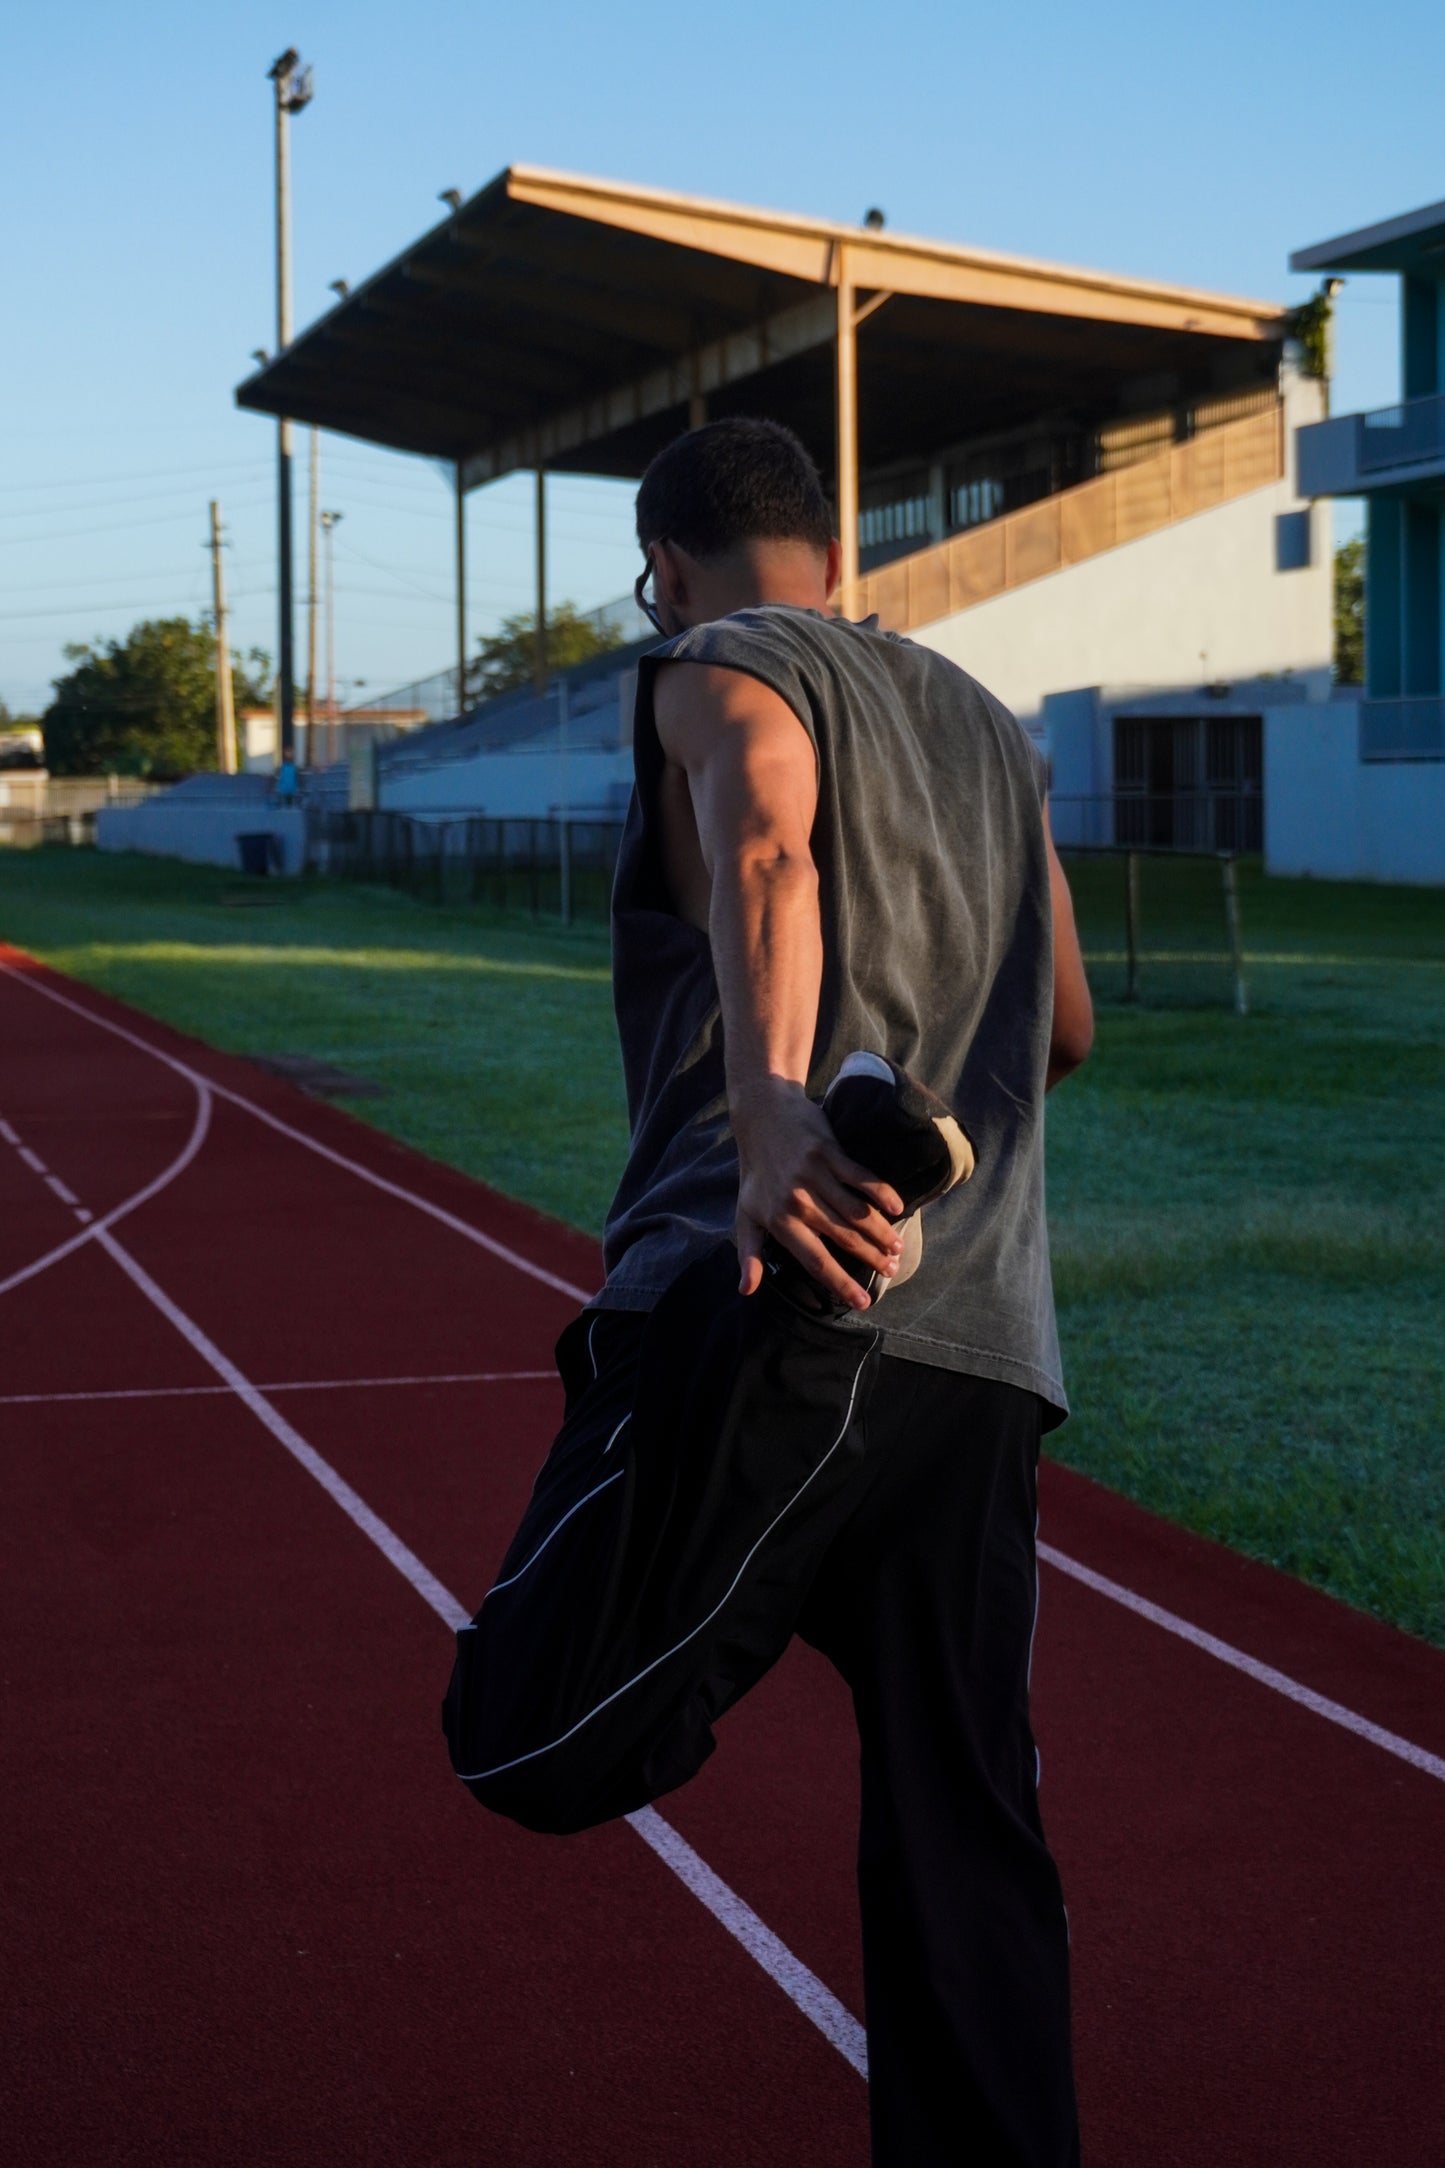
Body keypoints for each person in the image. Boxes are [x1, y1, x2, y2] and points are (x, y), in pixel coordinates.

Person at [444, 417, 1094, 2166]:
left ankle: (689, 1637)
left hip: (763, 1300)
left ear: (664, 564)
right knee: (966, 1823)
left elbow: (768, 844)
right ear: (829, 545)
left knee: (519, 1736)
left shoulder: (712, 663)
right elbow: (1073, 1025)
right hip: (981, 1351)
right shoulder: (987, 727)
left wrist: (768, 1106)